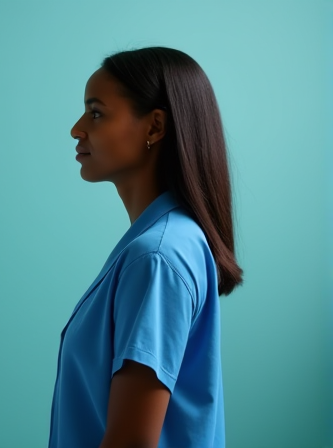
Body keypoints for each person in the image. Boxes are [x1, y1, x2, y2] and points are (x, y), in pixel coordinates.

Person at [48, 47, 243, 448]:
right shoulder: (168, 242)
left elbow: (132, 440)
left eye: (96, 113)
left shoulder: (157, 256)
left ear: (154, 127)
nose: (77, 128)